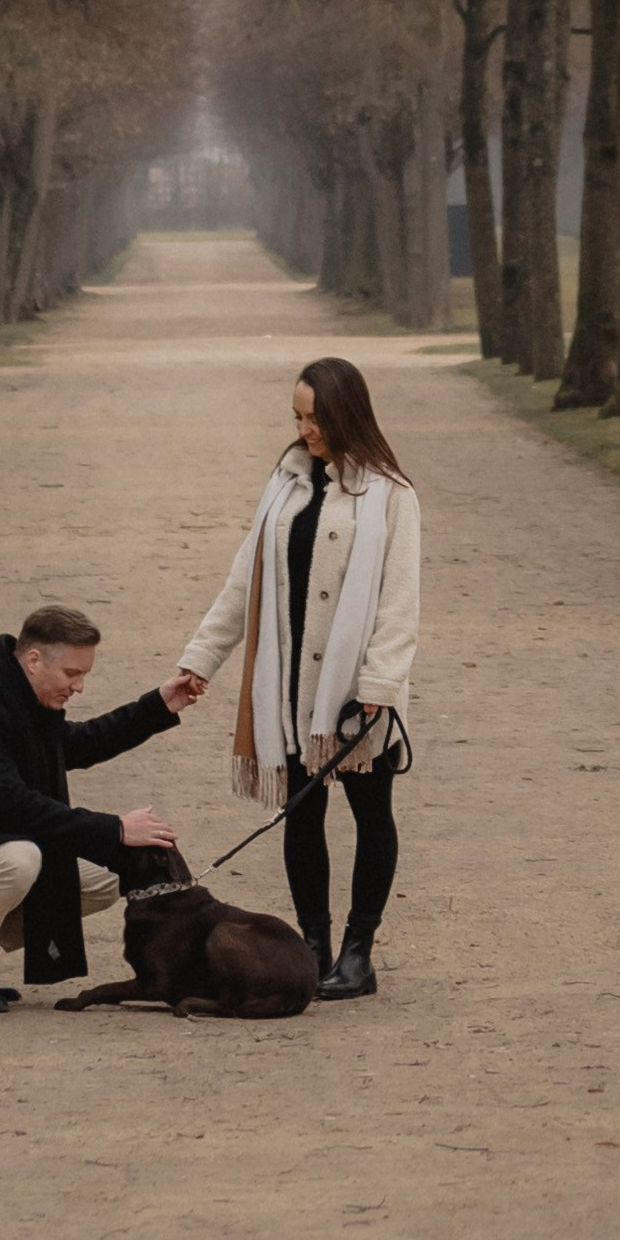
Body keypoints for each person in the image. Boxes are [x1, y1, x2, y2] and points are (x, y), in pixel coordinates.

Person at [174, 356, 420, 1001]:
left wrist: (378, 686)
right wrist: (201, 657)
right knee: (300, 813)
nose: (305, 430)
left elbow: (400, 602)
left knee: (371, 812)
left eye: (315, 418)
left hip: (355, 690)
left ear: (346, 414)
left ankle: (358, 955)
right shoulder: (285, 484)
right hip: (287, 684)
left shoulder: (391, 494)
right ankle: (313, 949)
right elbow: (244, 581)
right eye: (298, 417)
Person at [0, 604, 201, 1013]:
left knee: (107, 879)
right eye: (72, 673)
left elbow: (79, 743)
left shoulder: (20, 696)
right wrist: (116, 829)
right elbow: (19, 808)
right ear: (33, 660)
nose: (79, 687)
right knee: (21, 860)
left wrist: (159, 706)